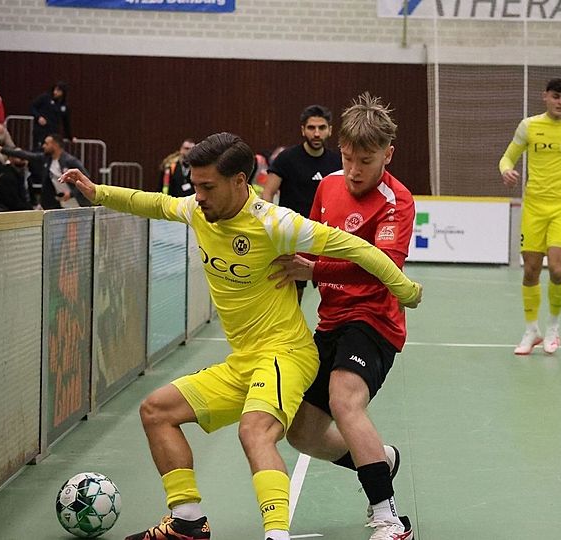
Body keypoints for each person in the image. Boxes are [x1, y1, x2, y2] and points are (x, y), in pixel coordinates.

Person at [59, 132, 422, 540]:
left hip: (286, 353)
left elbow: (361, 250)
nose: (198, 196)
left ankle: (277, 535)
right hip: (244, 360)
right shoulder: (199, 211)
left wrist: (405, 291)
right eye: (195, 186)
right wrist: (98, 192)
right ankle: (187, 522)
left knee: (255, 430)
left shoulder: (275, 223)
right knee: (157, 412)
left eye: (207, 187)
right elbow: (156, 203)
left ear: (239, 183)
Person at [276, 94, 415, 540]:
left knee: (344, 400)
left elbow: (382, 267)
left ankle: (388, 518)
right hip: (331, 319)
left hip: (374, 320)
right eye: (349, 157)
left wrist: (314, 269)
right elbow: (311, 240)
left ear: (387, 155)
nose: (354, 170)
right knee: (302, 432)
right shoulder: (329, 185)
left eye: (366, 160)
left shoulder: (398, 201)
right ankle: (380, 458)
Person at [498, 77, 561, 355]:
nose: (560, 102)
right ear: (545, 97)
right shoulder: (529, 126)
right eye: (556, 97)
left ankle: (553, 326)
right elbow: (506, 158)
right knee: (530, 270)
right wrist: (506, 171)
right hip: (534, 206)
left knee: (556, 268)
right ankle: (532, 330)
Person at [262, 105, 343, 304]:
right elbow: (268, 192)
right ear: (303, 130)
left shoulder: (338, 162)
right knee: (292, 298)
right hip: (293, 239)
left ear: (330, 130)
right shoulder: (287, 159)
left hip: (326, 239)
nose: (316, 133)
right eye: (311, 128)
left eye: (322, 128)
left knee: (334, 295)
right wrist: (267, 224)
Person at [0, 133, 90, 209]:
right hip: (62, 203)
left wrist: (71, 193)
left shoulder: (70, 161)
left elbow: (86, 179)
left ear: (55, 145)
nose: (43, 146)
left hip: (78, 202)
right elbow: (26, 155)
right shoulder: (47, 159)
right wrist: (2, 150)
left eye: (46, 143)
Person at [31, 82, 70, 150]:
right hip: (41, 131)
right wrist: (38, 117)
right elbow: (32, 107)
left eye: (58, 90)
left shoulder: (64, 105)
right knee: (38, 151)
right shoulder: (45, 97)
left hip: (53, 133)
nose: (55, 92)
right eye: (55, 89)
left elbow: (66, 122)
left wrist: (70, 137)